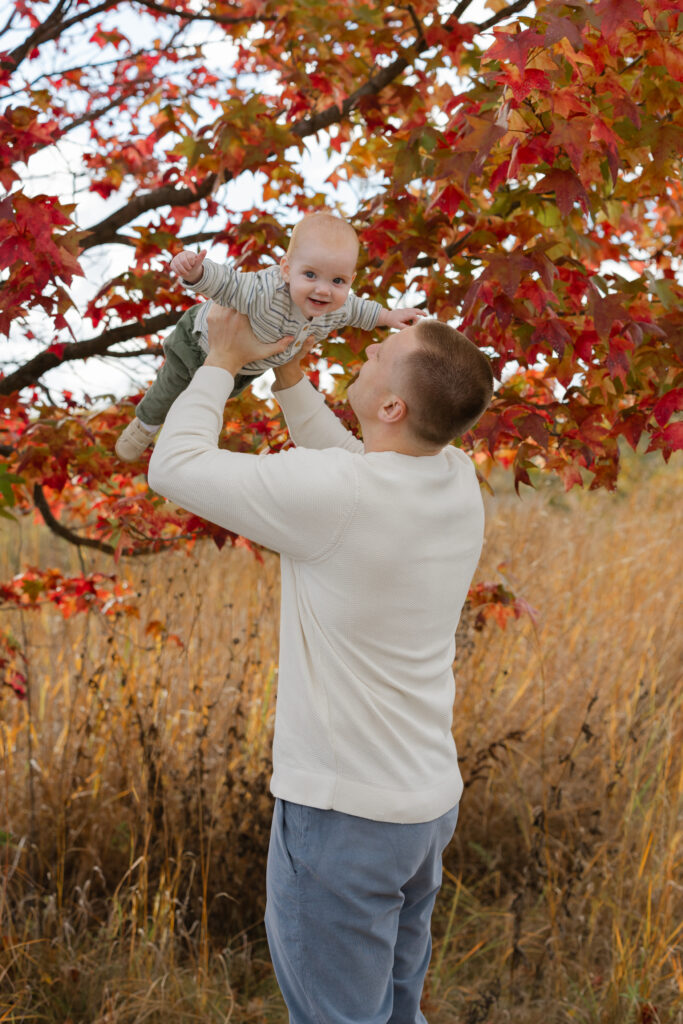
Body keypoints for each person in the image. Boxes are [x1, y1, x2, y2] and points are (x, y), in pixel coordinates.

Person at [147, 305, 494, 1023]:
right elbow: (354, 456)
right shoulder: (453, 472)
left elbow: (173, 466)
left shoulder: (338, 496)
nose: (363, 356)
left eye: (377, 357)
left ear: (393, 404)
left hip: (346, 821)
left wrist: (219, 358)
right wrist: (286, 372)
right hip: (422, 805)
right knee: (396, 1009)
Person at [116, 212, 424, 461]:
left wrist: (389, 317)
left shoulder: (337, 306)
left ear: (350, 280)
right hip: (198, 344)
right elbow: (228, 283)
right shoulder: (265, 291)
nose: (323, 289)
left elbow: (362, 311)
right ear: (287, 270)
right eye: (310, 275)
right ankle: (145, 423)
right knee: (170, 388)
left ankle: (174, 430)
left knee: (207, 403)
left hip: (242, 367)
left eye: (338, 280)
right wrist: (196, 273)